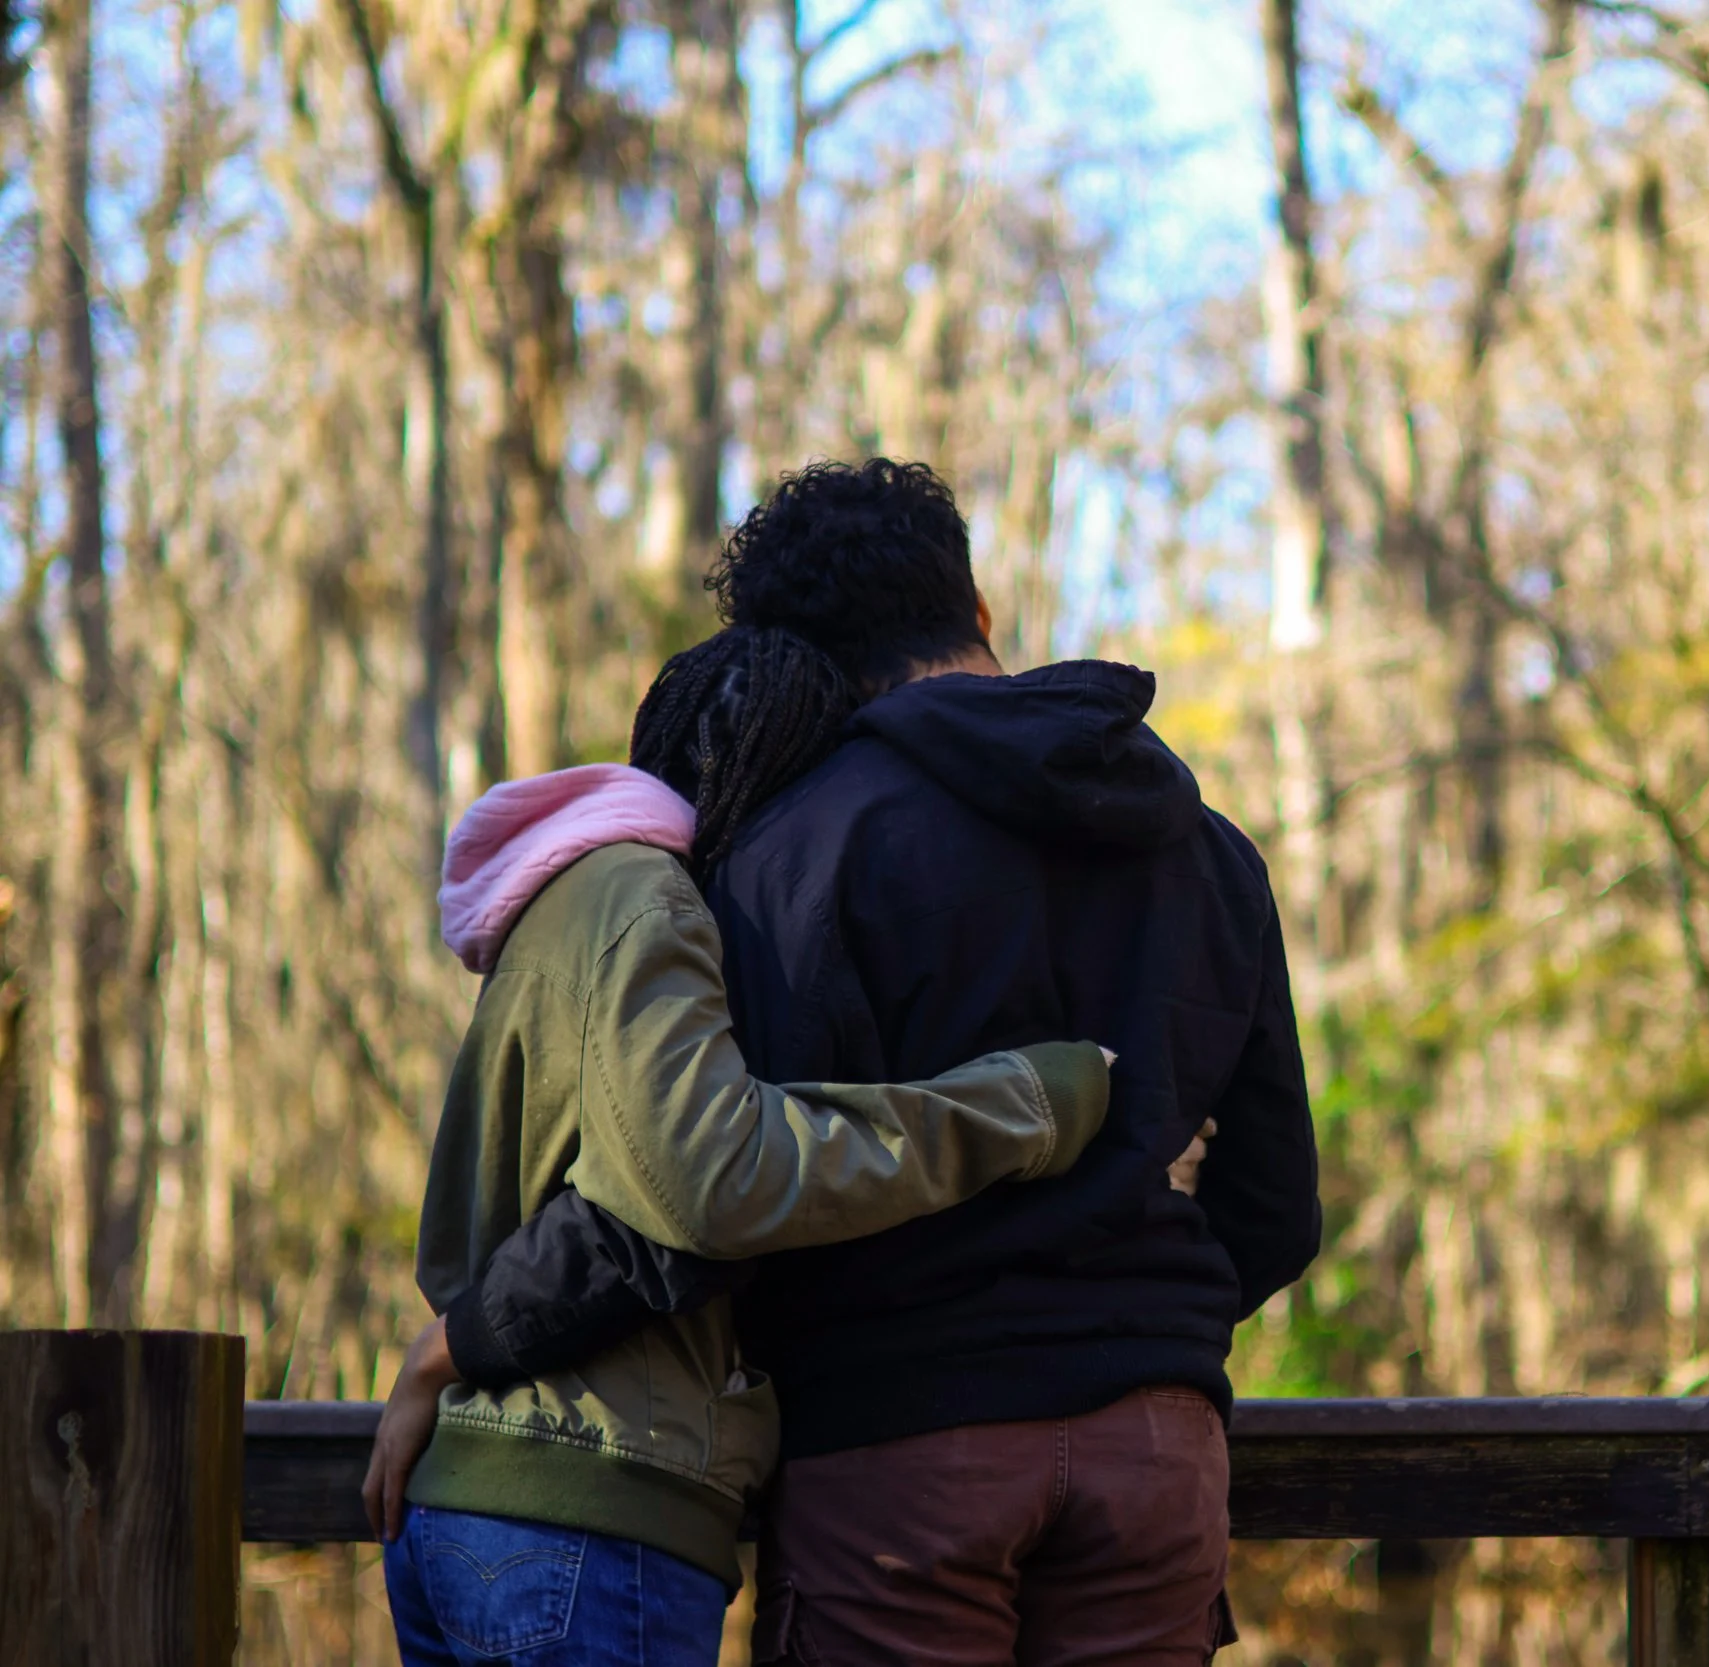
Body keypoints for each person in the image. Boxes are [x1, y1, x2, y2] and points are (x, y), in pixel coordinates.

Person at [457, 457, 1323, 1665]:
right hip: (1158, 1453)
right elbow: (1276, 1207)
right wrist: (1127, 1326)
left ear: (802, 658)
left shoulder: (799, 854)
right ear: (976, 612)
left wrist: (474, 1328)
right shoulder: (1212, 851)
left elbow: (702, 1195)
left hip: (900, 1452)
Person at [372, 624, 1122, 1667]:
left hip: (490, 1505)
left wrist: (445, 1350)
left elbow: (614, 1188)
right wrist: (1029, 1104)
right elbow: (708, 1180)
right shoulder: (650, 899)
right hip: (589, 1511)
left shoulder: (572, 896)